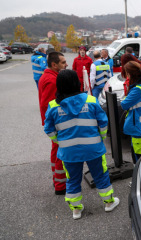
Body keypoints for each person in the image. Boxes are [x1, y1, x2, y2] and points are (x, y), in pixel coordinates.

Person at [44, 70, 120, 220]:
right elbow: (103, 123)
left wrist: (59, 142)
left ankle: (76, 210)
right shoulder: (91, 100)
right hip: (93, 149)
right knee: (101, 175)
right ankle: (109, 203)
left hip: (68, 152)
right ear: (76, 83)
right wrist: (100, 137)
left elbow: (49, 130)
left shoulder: (53, 106)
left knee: (72, 179)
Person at [38, 51, 68, 195]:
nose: (66, 64)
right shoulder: (52, 80)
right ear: (54, 64)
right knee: (59, 154)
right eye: (63, 62)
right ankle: (60, 185)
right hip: (57, 126)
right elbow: (48, 106)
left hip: (54, 125)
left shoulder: (51, 76)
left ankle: (57, 178)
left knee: (56, 152)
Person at [121, 61, 141, 163]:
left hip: (138, 127)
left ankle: (140, 177)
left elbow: (124, 104)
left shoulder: (137, 90)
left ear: (130, 74)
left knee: (140, 158)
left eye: (127, 73)